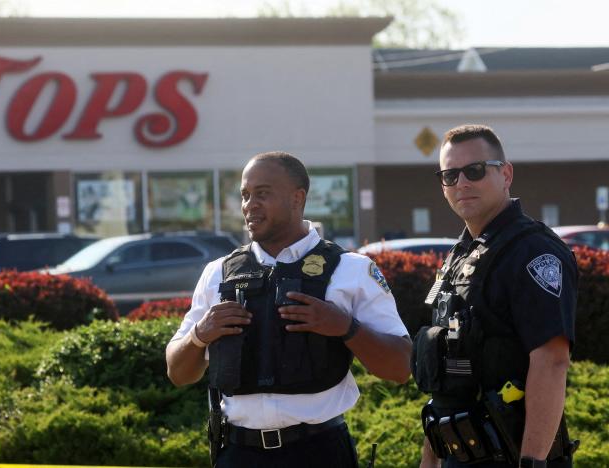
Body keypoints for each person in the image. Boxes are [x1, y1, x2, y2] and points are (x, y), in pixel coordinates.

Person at [165, 151, 412, 467]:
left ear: (298, 198)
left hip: (319, 452)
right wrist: (200, 336)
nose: (249, 204)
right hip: (238, 454)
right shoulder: (218, 274)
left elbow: (401, 367)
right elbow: (178, 373)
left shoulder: (351, 270)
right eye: (245, 195)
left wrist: (345, 327)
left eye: (263, 194)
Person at [414, 125, 578, 468]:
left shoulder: (533, 253)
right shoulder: (461, 256)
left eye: (474, 170)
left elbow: (551, 361)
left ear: (506, 174)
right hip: (458, 454)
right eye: (449, 175)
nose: (461, 183)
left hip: (512, 456)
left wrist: (532, 462)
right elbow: (447, 381)